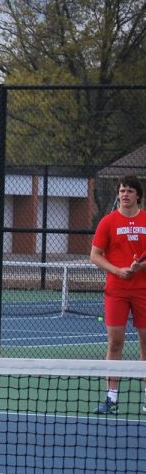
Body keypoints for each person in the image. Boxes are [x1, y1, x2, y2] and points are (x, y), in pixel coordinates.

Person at [90, 174, 146, 414]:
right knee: (115, 343)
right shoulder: (108, 222)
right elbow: (95, 255)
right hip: (116, 291)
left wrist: (141, 267)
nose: (125, 194)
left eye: (130, 191)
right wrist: (118, 270)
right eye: (122, 190)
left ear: (138, 196)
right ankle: (112, 399)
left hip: (143, 290)